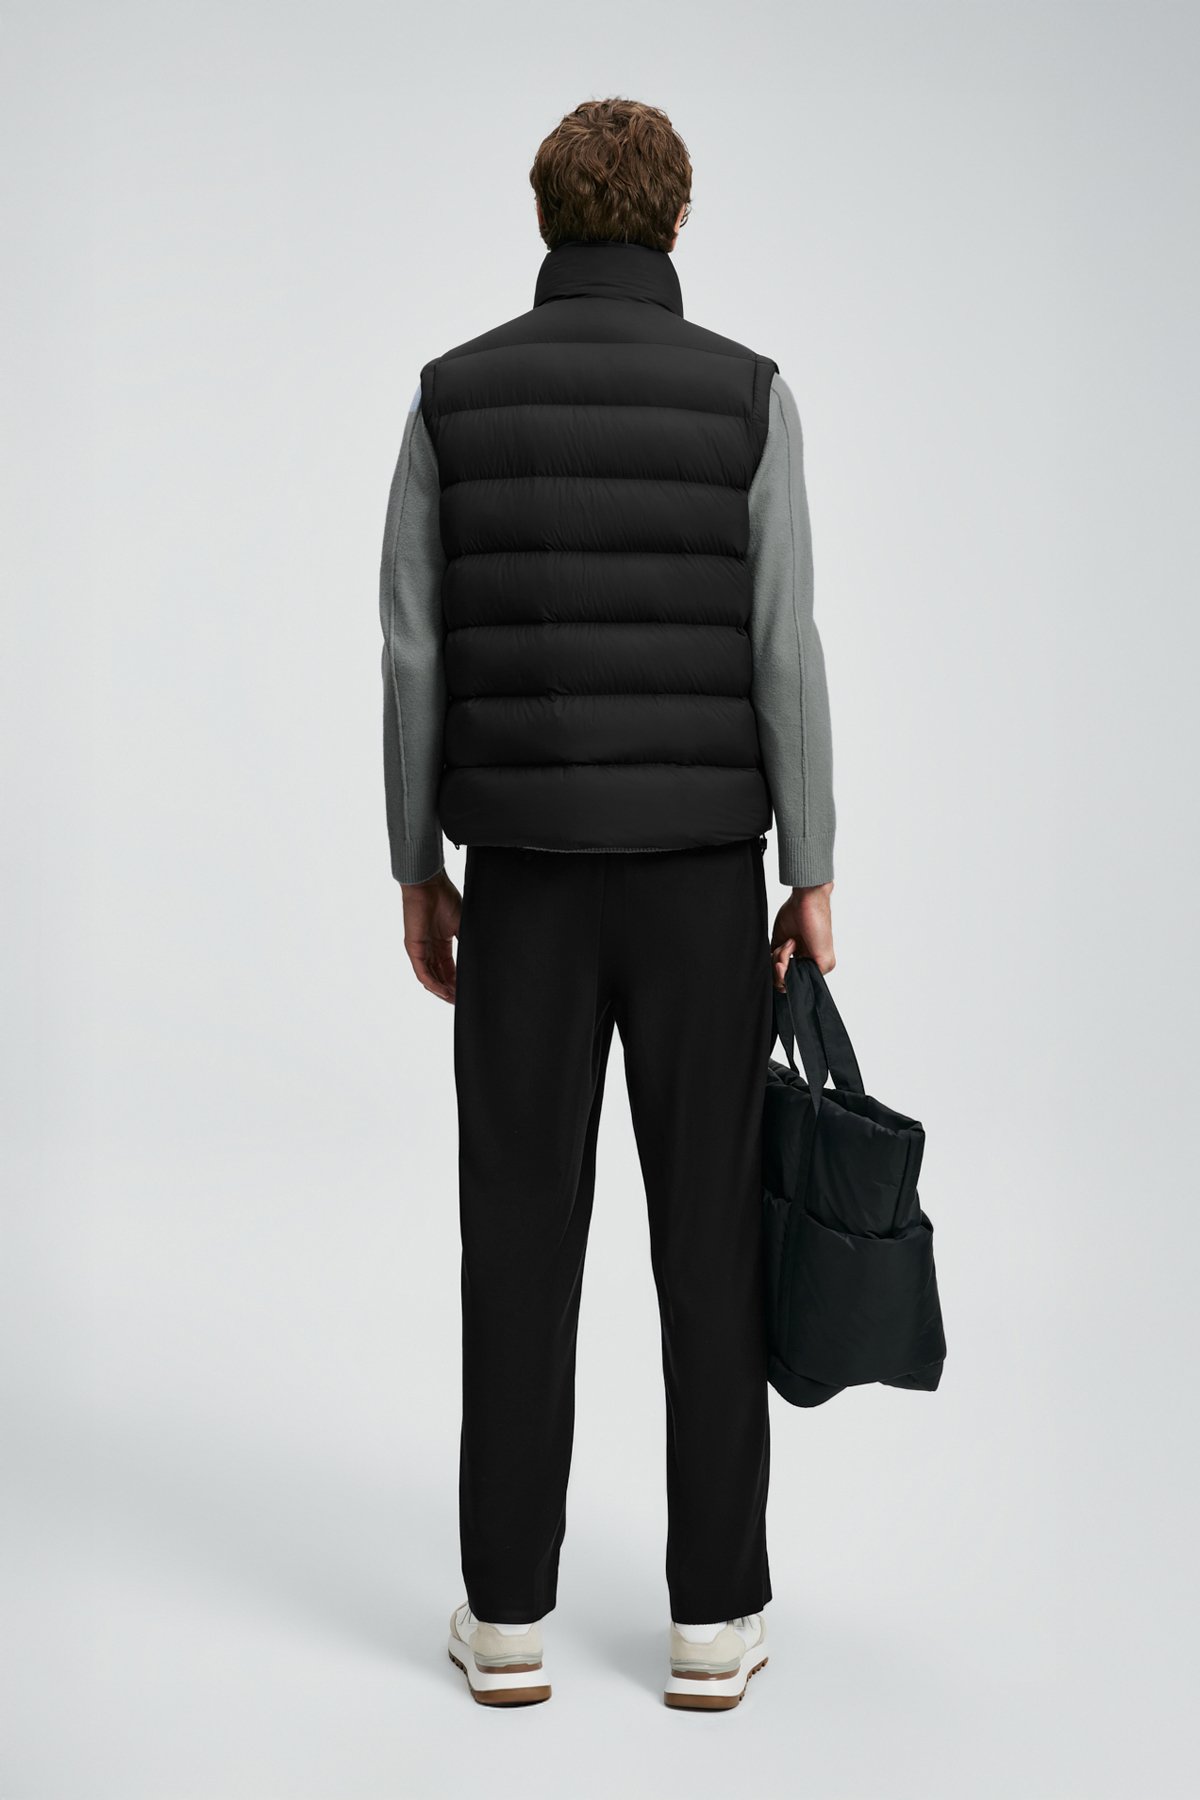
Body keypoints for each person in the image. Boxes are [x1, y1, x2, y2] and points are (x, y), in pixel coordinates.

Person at [379, 97, 836, 1712]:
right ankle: (712, 1619)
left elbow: (414, 649)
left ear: (546, 215)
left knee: (516, 1238)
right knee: (710, 1241)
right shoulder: (748, 396)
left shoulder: (453, 396)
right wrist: (812, 868)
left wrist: (417, 865)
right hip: (705, 882)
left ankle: (505, 1615)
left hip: (521, 882)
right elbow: (784, 648)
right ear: (676, 221)